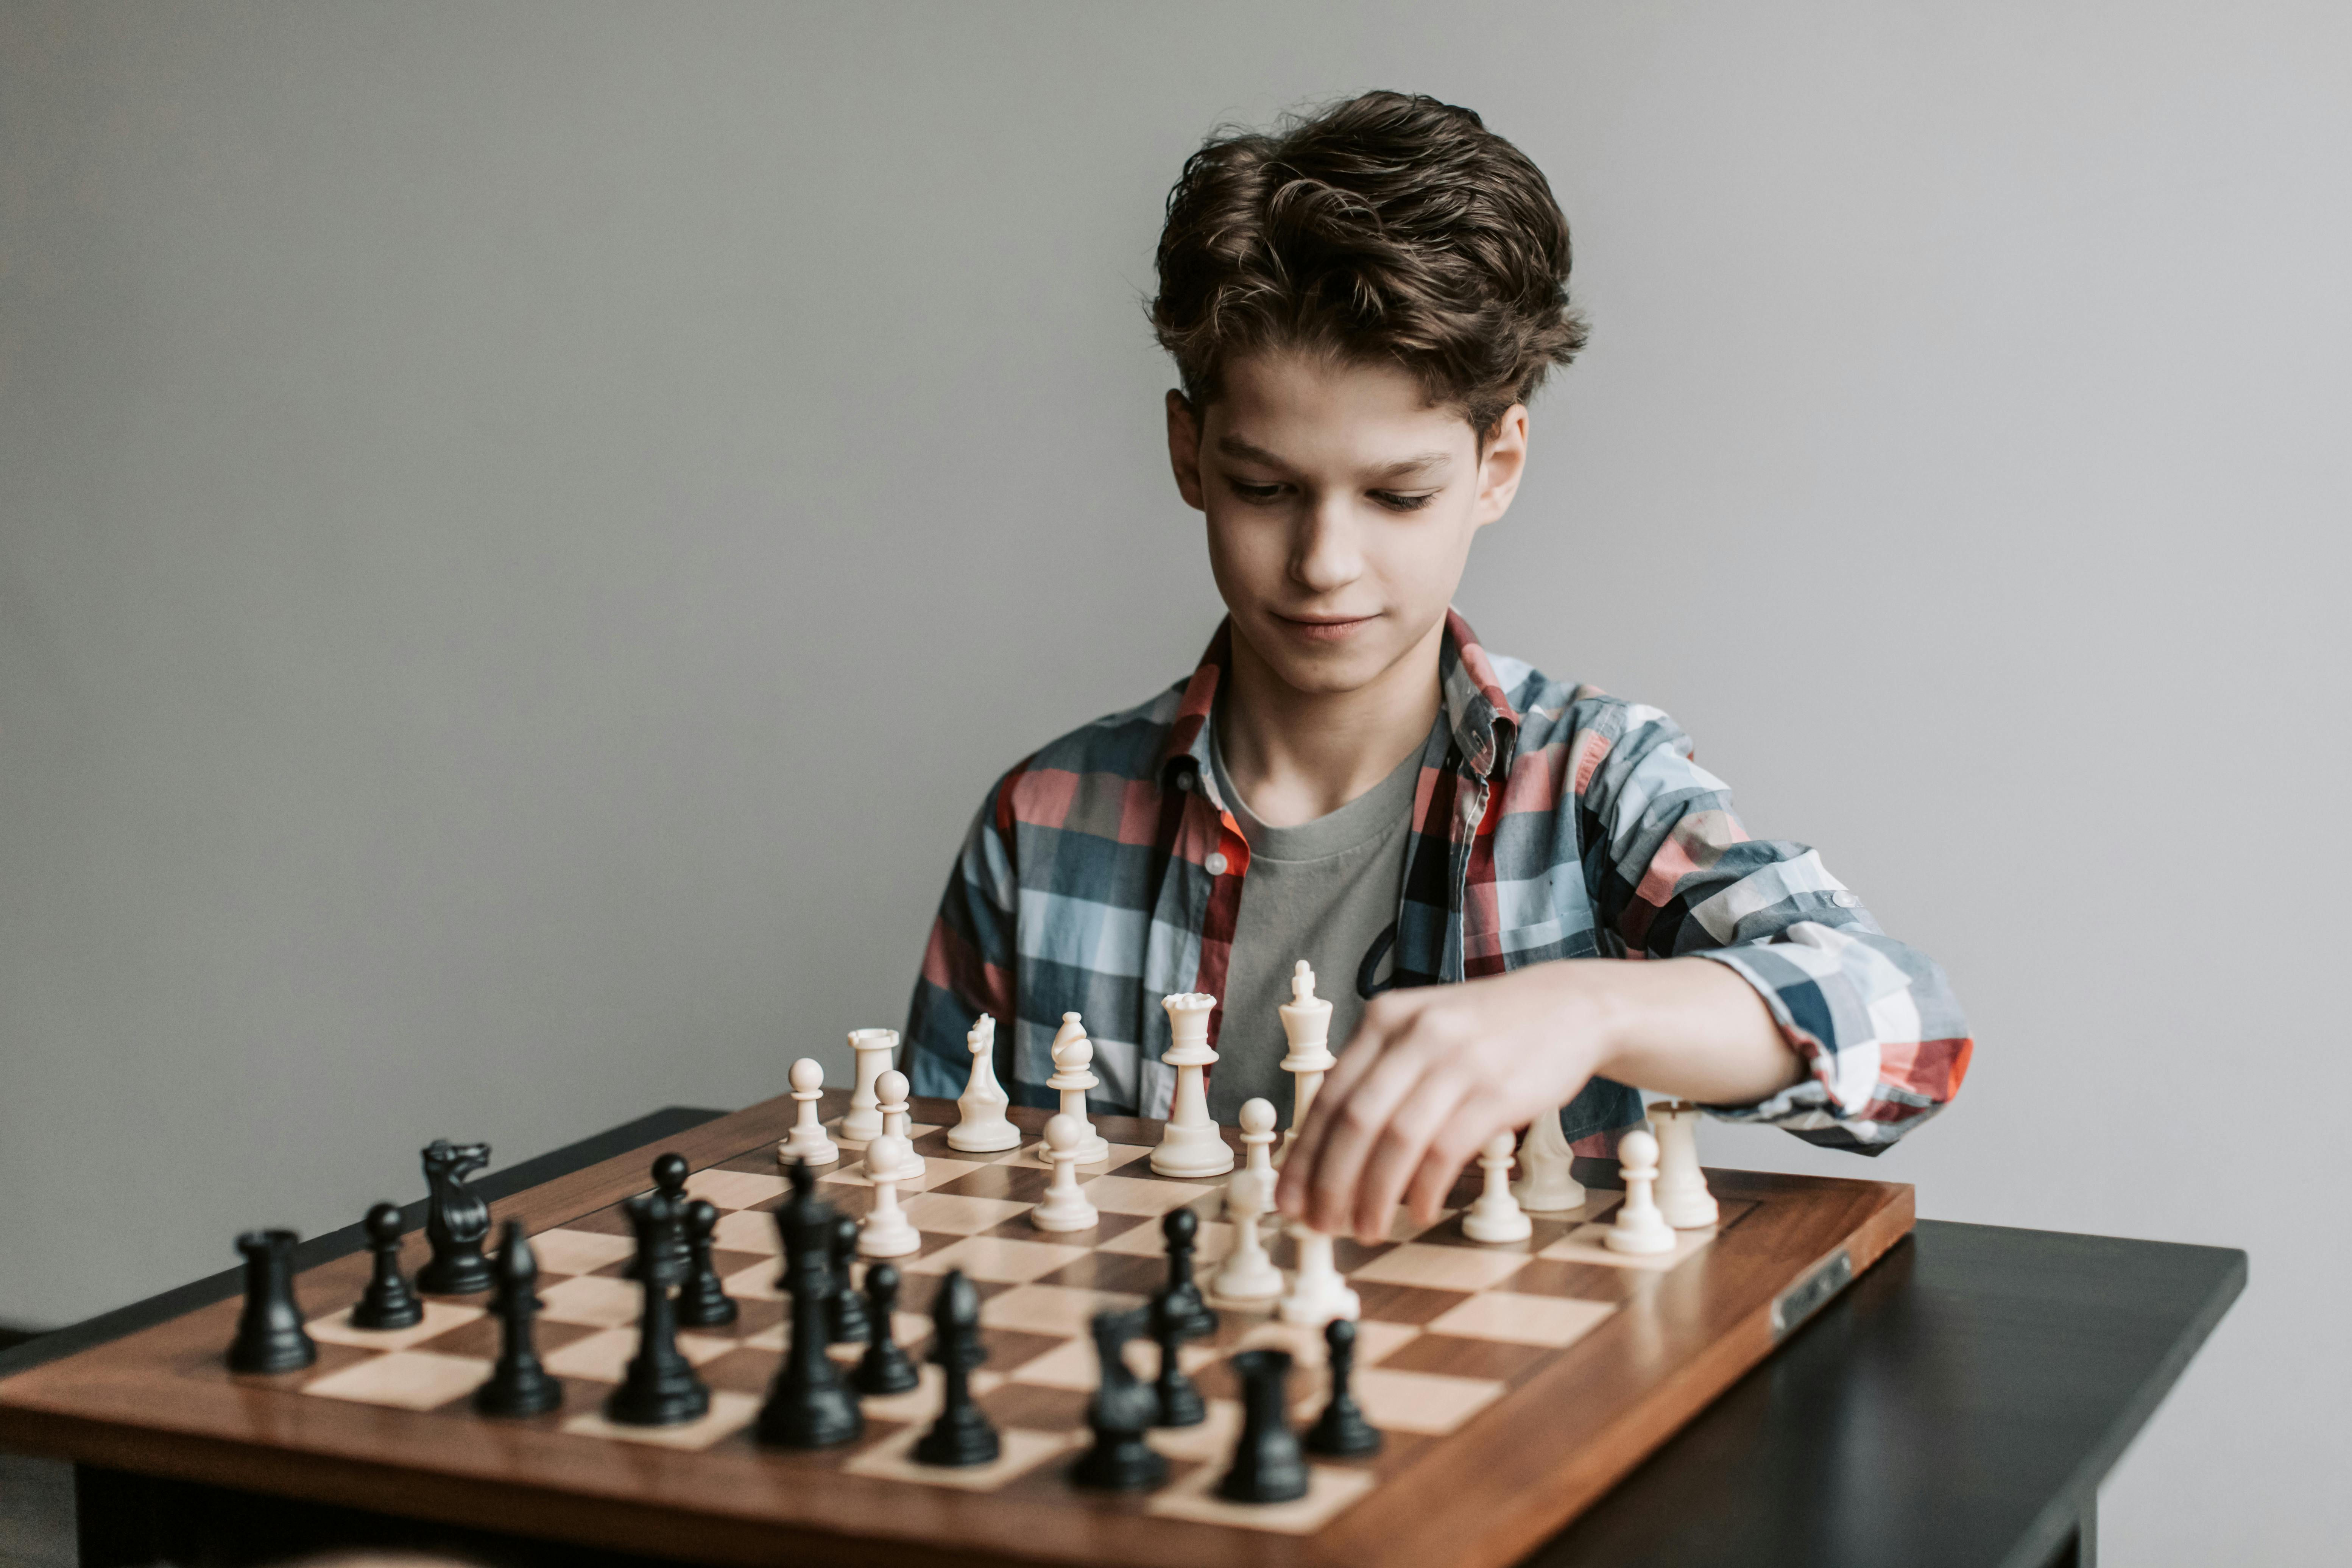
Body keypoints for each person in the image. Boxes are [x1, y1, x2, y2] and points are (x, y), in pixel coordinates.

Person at [904, 91, 1971, 1242]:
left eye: (1398, 496)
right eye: (1266, 489)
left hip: (1512, 1410)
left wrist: (1589, 1009)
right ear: (1189, 455)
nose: (1325, 562)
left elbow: (1907, 1031)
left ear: (1497, 465)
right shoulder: (1045, 821)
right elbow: (932, 1196)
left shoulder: (1591, 785)